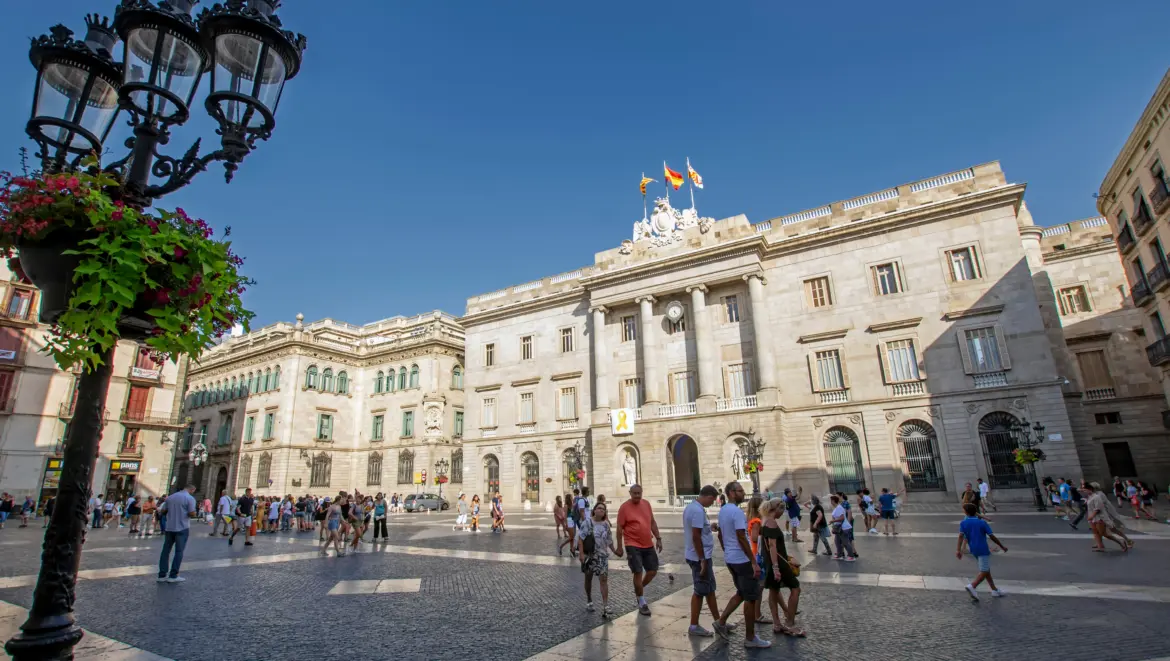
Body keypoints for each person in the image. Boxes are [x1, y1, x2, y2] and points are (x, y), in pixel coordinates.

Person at [714, 481, 770, 649]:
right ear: (731, 493)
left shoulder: (723, 510)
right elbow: (741, 536)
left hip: (732, 558)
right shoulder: (737, 512)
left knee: (741, 592)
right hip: (742, 560)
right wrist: (753, 561)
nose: (743, 493)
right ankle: (750, 638)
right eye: (740, 490)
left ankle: (721, 621)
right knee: (751, 598)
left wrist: (727, 551)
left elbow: (720, 535)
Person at [615, 484, 662, 616]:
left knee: (652, 571)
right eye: (634, 493)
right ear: (630, 493)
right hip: (632, 544)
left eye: (639, 493)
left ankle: (639, 588)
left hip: (648, 543)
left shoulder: (646, 504)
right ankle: (641, 601)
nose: (637, 495)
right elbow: (619, 528)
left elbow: (652, 522)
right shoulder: (624, 507)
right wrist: (619, 546)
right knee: (638, 571)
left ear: (642, 493)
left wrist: (658, 538)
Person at [760, 498, 804, 638]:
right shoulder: (772, 523)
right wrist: (776, 568)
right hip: (777, 562)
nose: (782, 513)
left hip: (770, 561)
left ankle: (777, 623)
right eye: (782, 510)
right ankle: (790, 623)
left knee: (773, 591)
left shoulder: (765, 520)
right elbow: (772, 546)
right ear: (777, 509)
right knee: (795, 588)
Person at [684, 485, 722, 638]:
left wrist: (709, 527)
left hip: (699, 555)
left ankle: (719, 621)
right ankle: (694, 625)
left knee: (709, 588)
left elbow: (698, 531)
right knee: (700, 591)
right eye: (712, 500)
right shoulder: (698, 511)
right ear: (707, 496)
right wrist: (702, 560)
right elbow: (696, 536)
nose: (712, 503)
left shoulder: (691, 507)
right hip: (699, 557)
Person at [957, 502, 1007, 600]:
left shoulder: (963, 523)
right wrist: (1001, 546)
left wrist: (958, 550)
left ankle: (994, 590)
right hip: (983, 548)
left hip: (973, 549)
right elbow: (991, 536)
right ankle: (973, 586)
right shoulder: (981, 523)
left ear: (966, 513)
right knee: (984, 570)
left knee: (986, 569)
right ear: (975, 512)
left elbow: (960, 537)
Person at [578, 501, 621, 616]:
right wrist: (581, 554)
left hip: (602, 556)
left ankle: (605, 606)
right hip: (590, 556)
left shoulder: (606, 524)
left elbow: (609, 540)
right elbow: (581, 539)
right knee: (588, 579)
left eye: (603, 509)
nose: (601, 510)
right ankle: (589, 600)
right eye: (599, 508)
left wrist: (615, 551)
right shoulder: (587, 522)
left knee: (603, 580)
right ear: (594, 510)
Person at [157, 485, 197, 583]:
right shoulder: (189, 498)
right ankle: (173, 575)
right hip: (182, 527)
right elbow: (192, 513)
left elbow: (163, 511)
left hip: (169, 527)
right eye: (193, 491)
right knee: (179, 552)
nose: (193, 493)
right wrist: (190, 513)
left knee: (165, 551)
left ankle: (162, 575)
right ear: (191, 489)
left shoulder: (170, 497)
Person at [1085, 482, 1130, 552]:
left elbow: (1098, 508)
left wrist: (1092, 516)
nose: (1084, 491)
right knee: (1097, 532)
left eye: (1085, 489)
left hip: (1102, 516)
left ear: (1092, 488)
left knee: (1108, 532)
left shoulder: (1098, 495)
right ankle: (1100, 545)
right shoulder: (1091, 496)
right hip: (1096, 517)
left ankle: (1124, 542)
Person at [829, 494, 856, 561]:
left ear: (833, 501)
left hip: (842, 527)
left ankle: (851, 556)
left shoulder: (839, 508)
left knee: (845, 542)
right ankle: (839, 554)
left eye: (831, 501)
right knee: (837, 541)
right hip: (838, 527)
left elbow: (842, 518)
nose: (830, 502)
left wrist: (833, 521)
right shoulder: (837, 508)